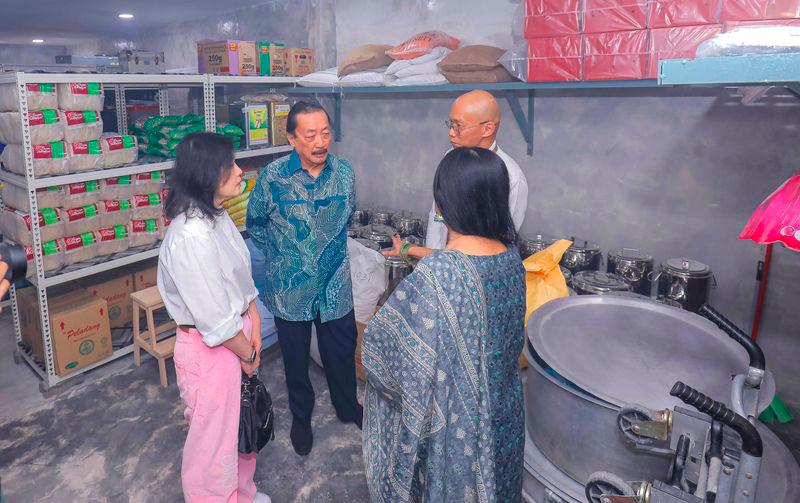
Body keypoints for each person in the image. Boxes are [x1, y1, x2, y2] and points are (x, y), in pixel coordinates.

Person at [362, 147, 527, 502]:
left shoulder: (440, 275)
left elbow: (382, 348)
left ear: (441, 205)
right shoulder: (512, 257)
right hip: (505, 412)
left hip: (456, 431)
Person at [157, 133, 270, 503]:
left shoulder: (215, 217)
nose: (241, 172)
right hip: (213, 350)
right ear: (208, 175)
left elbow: (239, 275)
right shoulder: (190, 237)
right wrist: (249, 354)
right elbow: (215, 322)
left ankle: (243, 495)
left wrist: (252, 314)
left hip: (236, 338)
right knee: (212, 447)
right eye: (231, 165)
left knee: (240, 429)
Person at [247, 101, 362, 457]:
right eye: (310, 134)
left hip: (334, 285)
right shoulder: (273, 176)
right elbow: (256, 225)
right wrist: (284, 259)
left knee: (341, 352)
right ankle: (301, 417)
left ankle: (348, 406)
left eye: (325, 133)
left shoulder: (344, 173)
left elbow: (348, 217)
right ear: (292, 138)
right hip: (290, 288)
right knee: (295, 360)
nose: (320, 142)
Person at [387, 89, 529, 261]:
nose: (451, 133)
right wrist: (431, 263)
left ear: (487, 128)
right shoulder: (450, 158)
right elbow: (438, 218)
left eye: (458, 126)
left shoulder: (512, 178)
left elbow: (499, 249)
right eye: (450, 124)